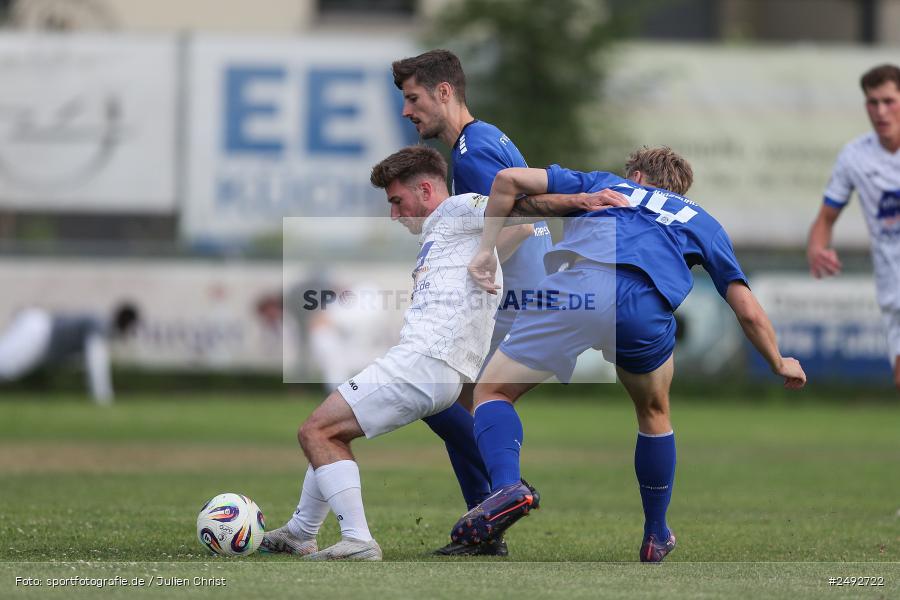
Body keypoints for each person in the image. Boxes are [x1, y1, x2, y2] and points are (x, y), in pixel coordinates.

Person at [259, 146, 618, 561]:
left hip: (424, 361)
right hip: (437, 369)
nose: (394, 214)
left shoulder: (456, 209)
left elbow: (522, 207)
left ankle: (357, 541)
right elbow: (508, 230)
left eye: (397, 201)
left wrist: (581, 201)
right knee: (332, 427)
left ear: (426, 190)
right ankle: (301, 531)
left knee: (316, 432)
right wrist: (490, 254)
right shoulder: (451, 235)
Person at [451, 147, 807, 562]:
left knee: (493, 391)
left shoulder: (605, 184)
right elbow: (746, 309)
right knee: (654, 412)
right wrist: (778, 361)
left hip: (579, 290)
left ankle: (507, 488)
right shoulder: (703, 222)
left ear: (637, 176)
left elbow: (508, 179)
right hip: (645, 307)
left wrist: (491, 241)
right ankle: (656, 534)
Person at [392, 48, 553, 556]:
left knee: (444, 397)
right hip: (528, 295)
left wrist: (470, 264)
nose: (407, 111)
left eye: (413, 98)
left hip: (521, 300)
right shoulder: (485, 139)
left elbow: (520, 225)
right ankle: (488, 518)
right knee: (450, 398)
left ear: (444, 92)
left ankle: (495, 504)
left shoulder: (472, 153)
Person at [807, 64, 900, 390]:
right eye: (873, 102)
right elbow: (826, 218)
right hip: (893, 285)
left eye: (889, 101)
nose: (881, 111)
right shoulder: (855, 156)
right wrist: (817, 248)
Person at [0, 303, 140, 405]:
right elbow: (96, 365)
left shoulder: (101, 324)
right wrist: (103, 399)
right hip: (38, 334)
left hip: (36, 327)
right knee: (6, 368)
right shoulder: (100, 327)